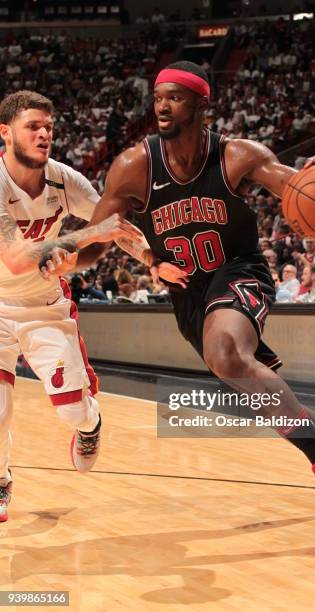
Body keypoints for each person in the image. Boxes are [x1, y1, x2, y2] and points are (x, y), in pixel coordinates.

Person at [43, 62, 315, 522]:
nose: (162, 105)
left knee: (226, 353)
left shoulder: (236, 156)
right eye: (158, 97)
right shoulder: (134, 166)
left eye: (175, 97)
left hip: (239, 270)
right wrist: (70, 256)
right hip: (188, 294)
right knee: (247, 378)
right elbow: (99, 239)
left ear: (203, 104)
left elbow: (293, 181)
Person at [0, 90, 182, 521]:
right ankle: (1, 479)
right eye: (34, 126)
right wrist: (83, 237)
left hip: (44, 306)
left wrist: (152, 259)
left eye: (49, 126)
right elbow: (15, 257)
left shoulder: (66, 180)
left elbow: (115, 227)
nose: (45, 134)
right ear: (5, 133)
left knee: (72, 414)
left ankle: (90, 425)